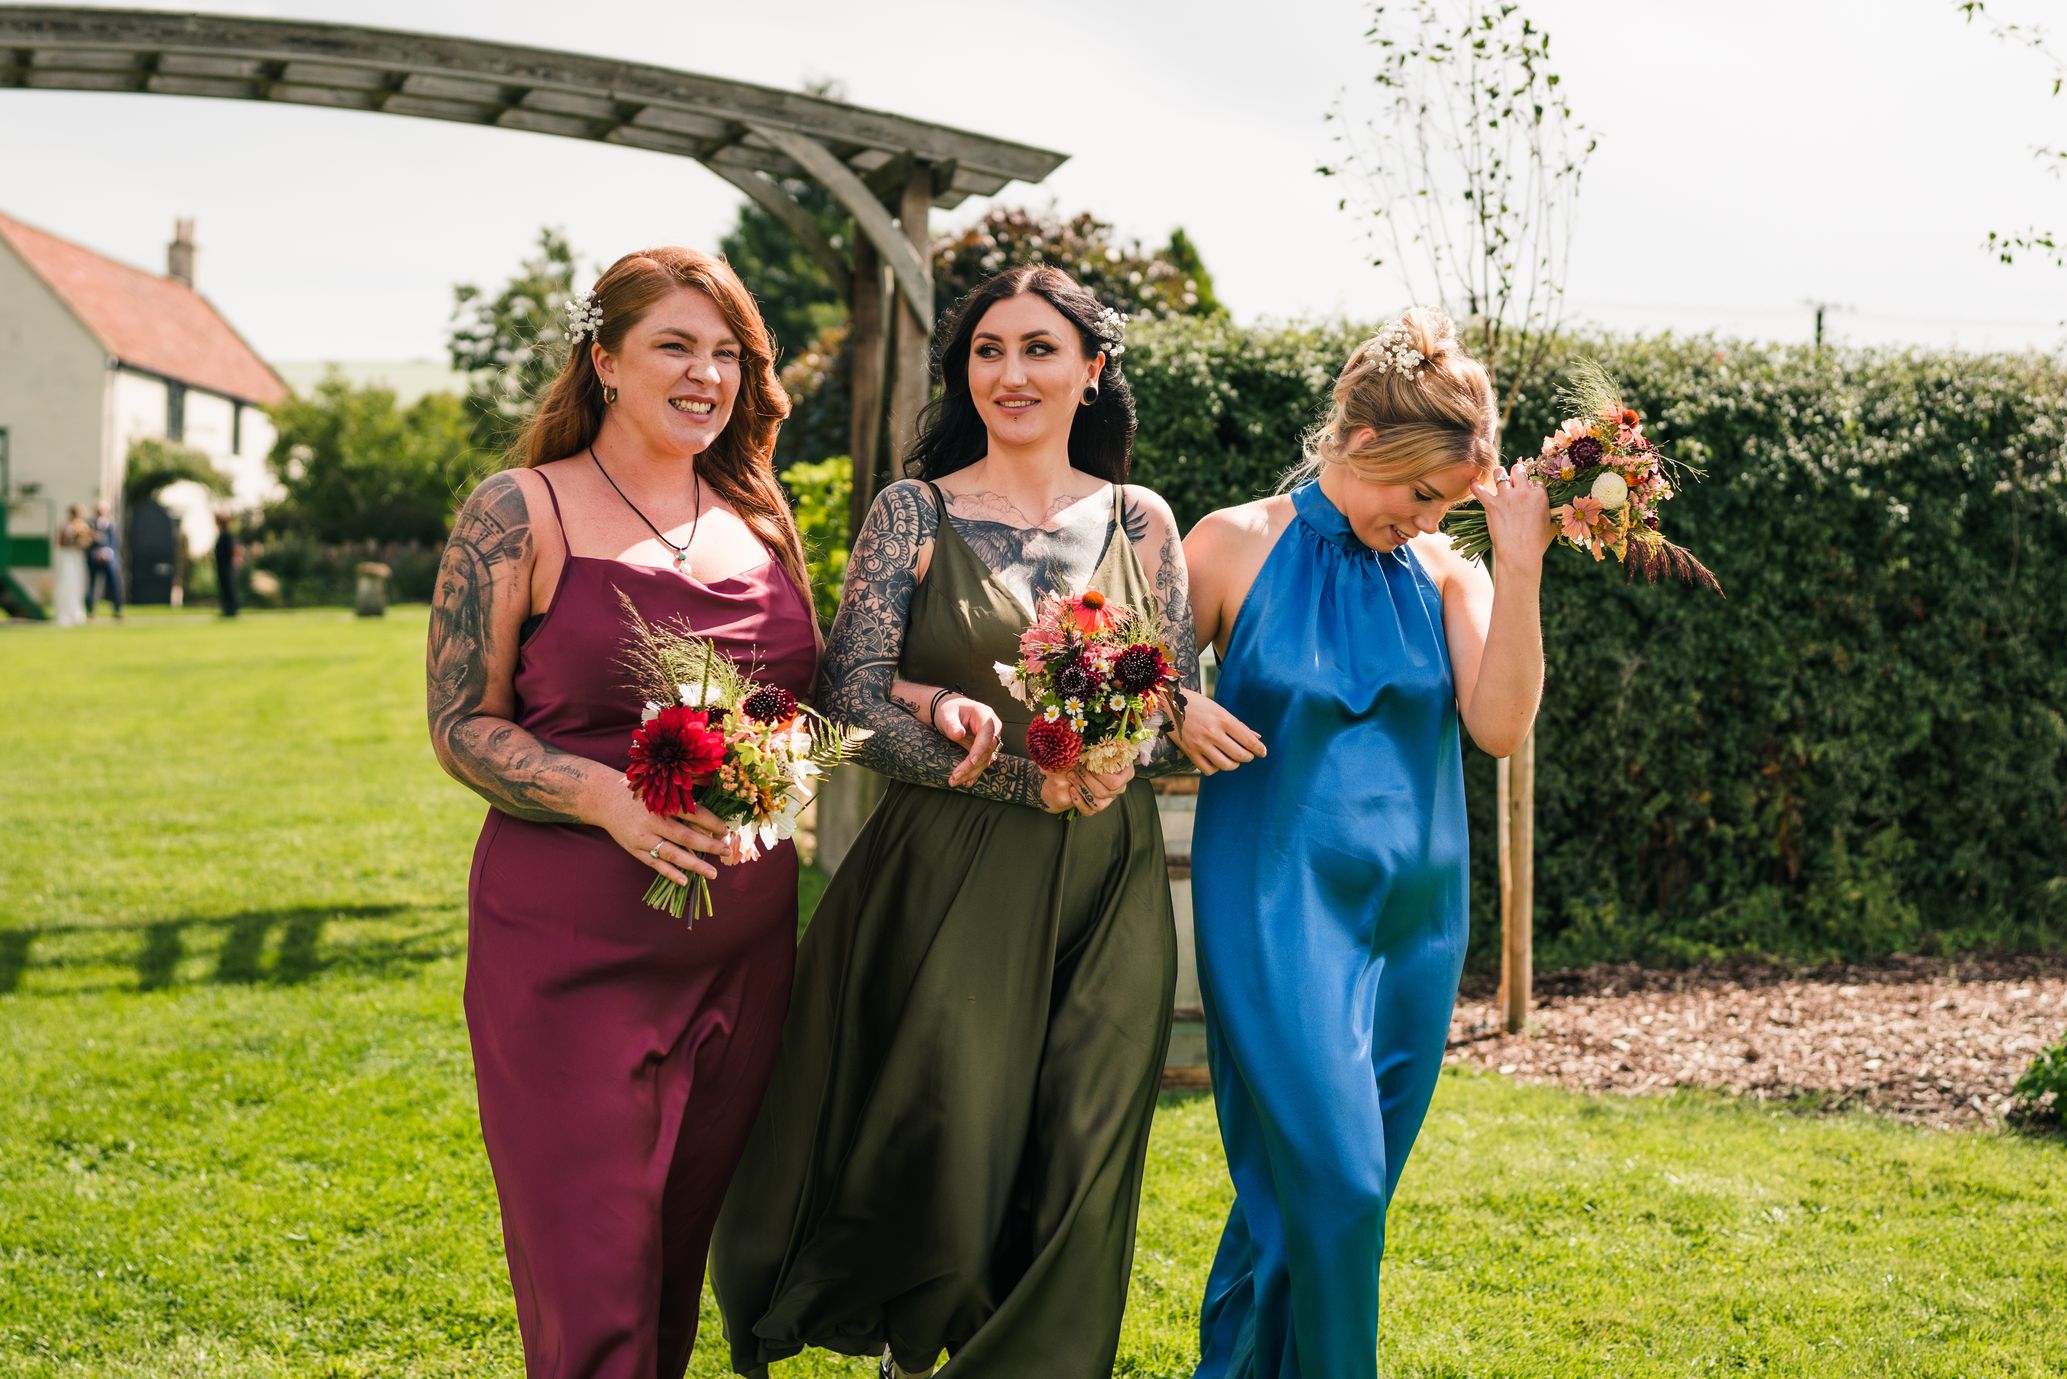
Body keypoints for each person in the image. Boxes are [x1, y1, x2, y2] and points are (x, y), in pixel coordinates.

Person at [712, 266, 1199, 1379]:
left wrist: (1137, 744)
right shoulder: (913, 512)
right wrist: (1020, 778)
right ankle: (915, 1353)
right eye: (987, 350)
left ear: (1092, 370)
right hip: (951, 871)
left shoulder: (1143, 521)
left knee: (1085, 1144)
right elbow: (849, 702)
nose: (1010, 372)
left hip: (1108, 881)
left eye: (1038, 347)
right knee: (958, 1146)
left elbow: (1167, 698)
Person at [424, 246, 816, 1379]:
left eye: (727, 353)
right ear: (603, 360)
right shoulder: (520, 510)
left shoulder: (759, 513)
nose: (706, 374)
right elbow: (459, 723)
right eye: (674, 346)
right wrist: (602, 795)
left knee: (667, 1280)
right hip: (571, 954)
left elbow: (811, 698)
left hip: (743, 954)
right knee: (595, 1292)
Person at [1177, 308, 1550, 1379]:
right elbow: (1124, 685)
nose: (1427, 517)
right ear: (1360, 439)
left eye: (1445, 502)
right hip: (1276, 907)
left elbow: (1500, 727)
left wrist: (1517, 564)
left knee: (1313, 1194)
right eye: (1420, 492)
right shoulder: (1232, 542)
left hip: (1414, 926)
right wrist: (1174, 708)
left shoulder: (1449, 573)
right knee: (1337, 1185)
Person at [53, 504, 92, 626]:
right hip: (67, 557)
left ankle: (76, 612)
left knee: (78, 584)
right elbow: (60, 542)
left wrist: (82, 542)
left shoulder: (83, 526)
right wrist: (74, 540)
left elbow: (86, 543)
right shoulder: (65, 526)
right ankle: (64, 613)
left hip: (77, 557)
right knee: (66, 583)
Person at [86, 498, 123, 619]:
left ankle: (117, 610)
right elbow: (87, 542)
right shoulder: (90, 523)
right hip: (94, 559)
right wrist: (96, 552)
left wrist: (108, 552)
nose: (100, 512)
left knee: (114, 585)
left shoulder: (112, 523)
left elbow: (115, 542)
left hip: (109, 559)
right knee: (93, 586)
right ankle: (90, 611)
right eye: (98, 510)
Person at [213, 512, 240, 617]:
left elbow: (234, 549)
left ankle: (232, 610)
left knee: (229, 587)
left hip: (226, 566)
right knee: (224, 587)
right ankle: (226, 609)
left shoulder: (227, 535)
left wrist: (236, 559)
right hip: (221, 566)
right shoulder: (221, 535)